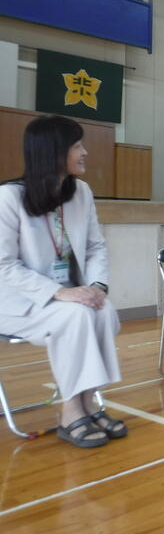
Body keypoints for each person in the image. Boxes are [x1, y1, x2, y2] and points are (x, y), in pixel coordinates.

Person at [0, 115, 125, 448]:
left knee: (102, 310)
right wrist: (59, 292)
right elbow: (4, 266)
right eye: (77, 146)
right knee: (77, 315)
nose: (85, 152)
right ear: (53, 152)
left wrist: (97, 287)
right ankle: (71, 412)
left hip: (68, 298)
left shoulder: (80, 192)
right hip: (19, 303)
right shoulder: (8, 198)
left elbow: (96, 247)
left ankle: (88, 404)